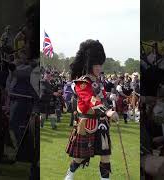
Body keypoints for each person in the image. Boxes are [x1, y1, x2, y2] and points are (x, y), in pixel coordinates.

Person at [64, 39, 119, 180]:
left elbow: (102, 96)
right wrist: (107, 111)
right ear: (89, 65)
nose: (100, 68)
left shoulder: (97, 82)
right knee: (80, 158)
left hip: (102, 124)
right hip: (87, 124)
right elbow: (90, 100)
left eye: (100, 65)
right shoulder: (82, 82)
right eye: (97, 65)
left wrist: (111, 97)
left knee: (105, 155)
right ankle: (69, 175)